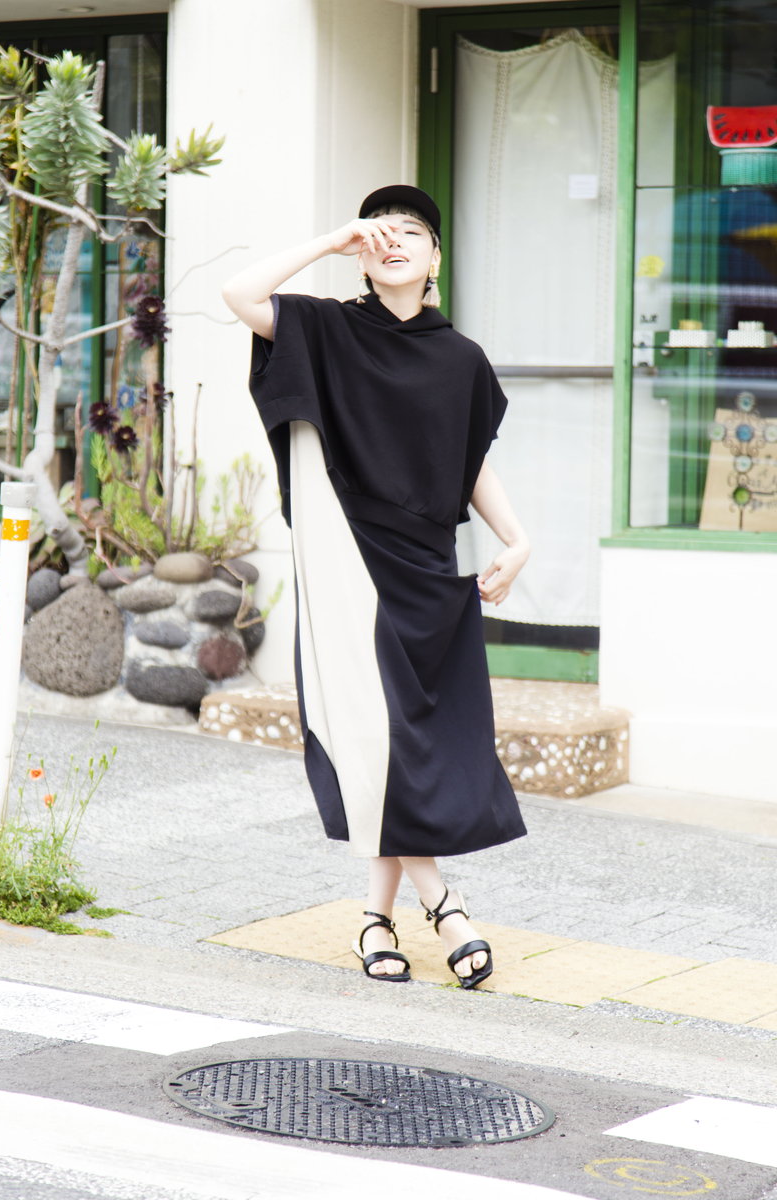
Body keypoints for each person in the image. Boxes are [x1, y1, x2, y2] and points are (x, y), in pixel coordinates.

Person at [222, 184, 530, 989]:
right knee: (370, 730)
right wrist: (331, 240)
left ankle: (374, 918)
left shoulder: (461, 359)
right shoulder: (325, 328)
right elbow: (239, 294)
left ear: (436, 258)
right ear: (363, 254)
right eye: (379, 232)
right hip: (348, 555)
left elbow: (469, 464)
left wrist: (517, 538)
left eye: (411, 232)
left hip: (426, 565)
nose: (393, 242)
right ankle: (446, 907)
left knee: (407, 740)